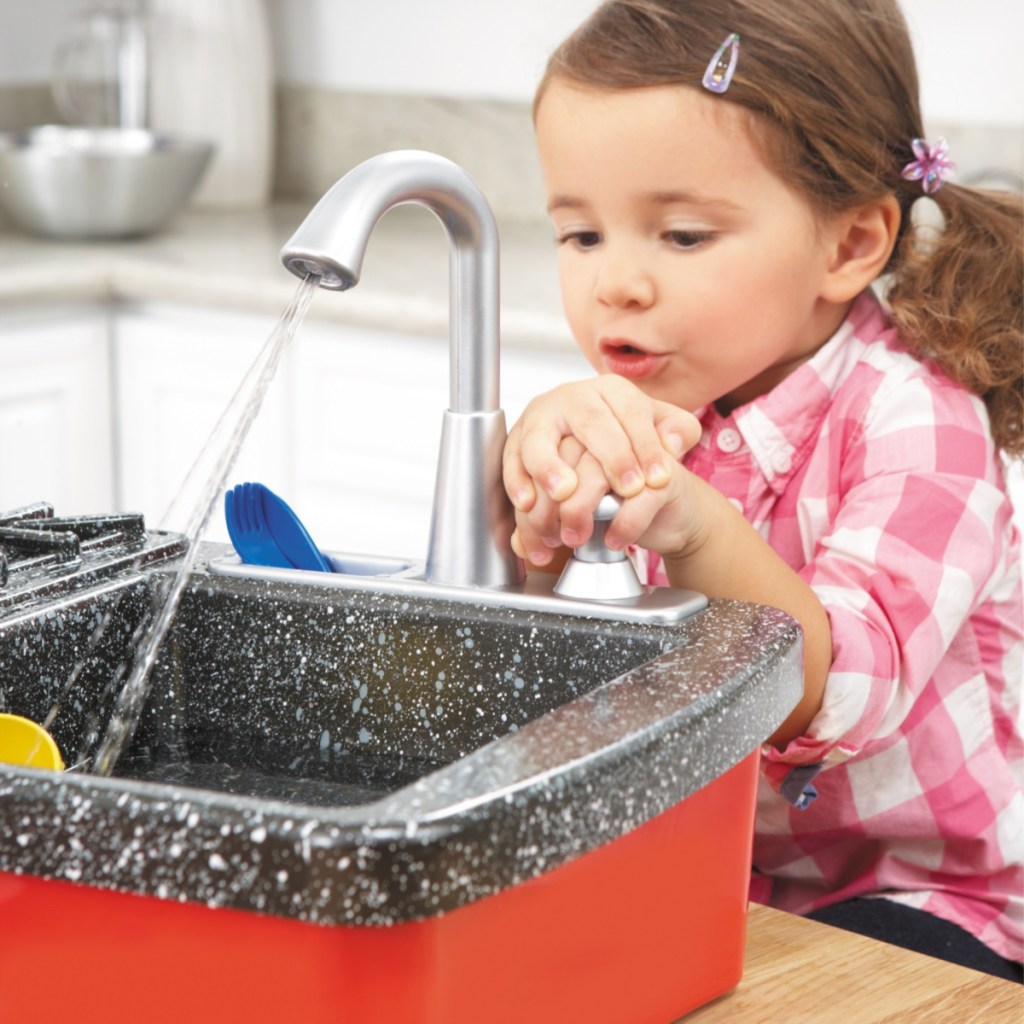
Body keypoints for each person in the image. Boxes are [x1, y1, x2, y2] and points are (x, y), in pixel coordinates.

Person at [502, 0, 1023, 981]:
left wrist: (694, 523)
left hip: (924, 910)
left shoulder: (918, 421)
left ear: (848, 244)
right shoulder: (667, 387)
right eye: (580, 235)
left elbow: (826, 695)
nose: (615, 283)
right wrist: (535, 510)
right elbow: (543, 670)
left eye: (683, 236)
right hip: (718, 879)